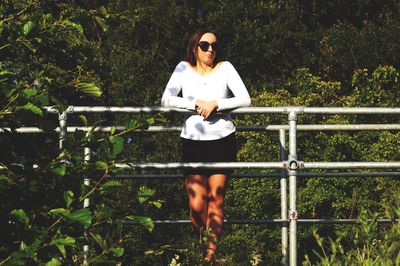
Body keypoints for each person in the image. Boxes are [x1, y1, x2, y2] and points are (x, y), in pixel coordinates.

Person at [161, 28, 251, 264]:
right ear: (194, 47)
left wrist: (217, 104)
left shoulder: (226, 68)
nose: (210, 49)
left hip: (223, 140)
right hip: (193, 142)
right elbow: (166, 99)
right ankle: (203, 241)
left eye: (214, 46)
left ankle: (209, 257)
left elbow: (245, 98)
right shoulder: (183, 68)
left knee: (216, 200)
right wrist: (196, 104)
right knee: (198, 205)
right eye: (204, 45)